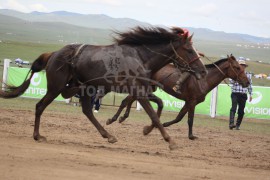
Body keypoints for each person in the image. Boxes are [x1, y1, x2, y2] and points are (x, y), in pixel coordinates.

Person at [229, 59, 252, 130]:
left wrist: (251, 94)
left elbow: (250, 85)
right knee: (233, 108)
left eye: (243, 65)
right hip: (235, 93)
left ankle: (238, 125)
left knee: (241, 111)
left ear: (245, 67)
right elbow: (231, 82)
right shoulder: (234, 73)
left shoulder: (248, 75)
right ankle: (231, 124)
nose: (242, 66)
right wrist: (236, 78)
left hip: (243, 94)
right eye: (241, 65)